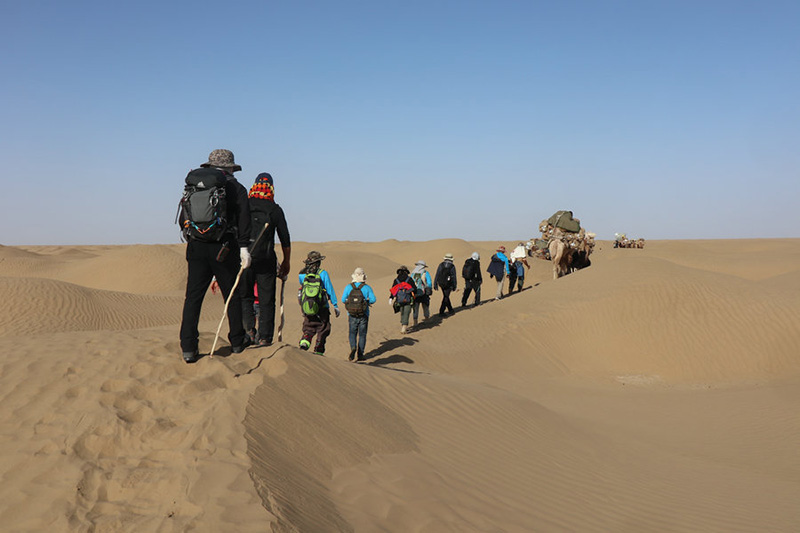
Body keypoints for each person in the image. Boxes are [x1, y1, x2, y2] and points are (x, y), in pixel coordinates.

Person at [179, 149, 252, 364]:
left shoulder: (192, 187)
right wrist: (244, 247)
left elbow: (184, 216)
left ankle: (188, 347)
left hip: (196, 247)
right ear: (230, 168)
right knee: (231, 295)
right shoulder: (236, 188)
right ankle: (238, 341)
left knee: (193, 297)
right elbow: (244, 220)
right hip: (224, 248)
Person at [240, 173, 291, 347]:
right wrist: (286, 262)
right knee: (267, 299)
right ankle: (265, 337)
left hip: (244, 257)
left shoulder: (244, 205)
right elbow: (285, 238)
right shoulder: (274, 208)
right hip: (266, 259)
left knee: (245, 296)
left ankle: (248, 331)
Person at [298, 251, 340, 355]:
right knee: (324, 328)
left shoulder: (302, 274)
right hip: (322, 307)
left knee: (308, 327)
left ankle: (305, 341)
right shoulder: (323, 273)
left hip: (307, 306)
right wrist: (335, 305)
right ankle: (318, 348)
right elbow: (329, 289)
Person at [341, 267, 377, 362]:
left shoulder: (349, 287)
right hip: (364, 314)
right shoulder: (367, 287)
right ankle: (360, 354)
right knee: (362, 335)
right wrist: (367, 300)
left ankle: (353, 347)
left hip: (351, 314)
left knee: (352, 333)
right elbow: (373, 300)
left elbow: (342, 299)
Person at [390, 265, 416, 334]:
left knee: (402, 312)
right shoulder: (409, 279)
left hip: (399, 300)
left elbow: (393, 290)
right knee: (407, 312)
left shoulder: (396, 280)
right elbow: (414, 289)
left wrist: (391, 298)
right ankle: (404, 327)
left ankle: (403, 324)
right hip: (408, 300)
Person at [409, 260, 433, 327]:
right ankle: (427, 319)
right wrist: (429, 288)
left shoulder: (413, 273)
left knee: (415, 307)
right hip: (423, 293)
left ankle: (415, 321)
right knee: (425, 306)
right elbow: (429, 282)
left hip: (415, 293)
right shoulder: (425, 273)